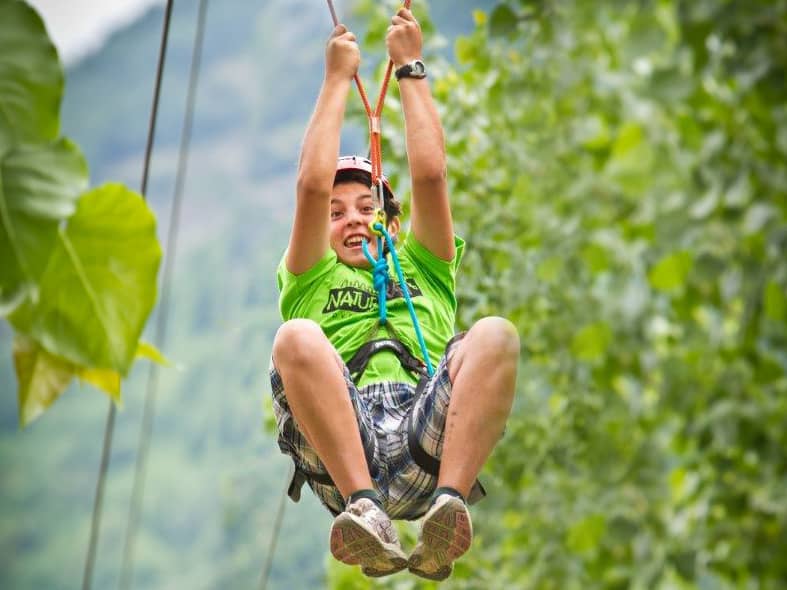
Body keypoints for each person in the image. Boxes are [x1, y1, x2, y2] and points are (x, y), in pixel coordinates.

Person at [268, 7, 519, 581]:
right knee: (296, 338)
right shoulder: (311, 278)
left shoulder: (424, 270)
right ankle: (366, 508)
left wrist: (411, 68)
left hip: (425, 439)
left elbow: (430, 176)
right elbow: (309, 185)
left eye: (367, 208)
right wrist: (336, 81)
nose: (353, 220)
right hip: (346, 444)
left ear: (393, 226)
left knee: (496, 335)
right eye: (337, 214)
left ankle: (447, 507)